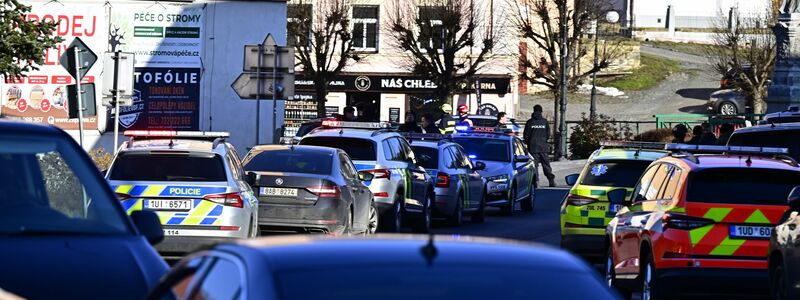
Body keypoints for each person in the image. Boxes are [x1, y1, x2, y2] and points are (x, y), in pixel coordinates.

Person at [524, 105, 555, 187]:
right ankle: (551, 180)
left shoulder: (530, 122)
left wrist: (528, 142)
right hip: (543, 147)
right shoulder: (544, 122)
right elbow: (548, 134)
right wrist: (544, 141)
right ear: (541, 111)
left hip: (533, 147)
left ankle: (536, 181)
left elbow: (526, 135)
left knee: (535, 165)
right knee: (546, 164)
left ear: (533, 111)